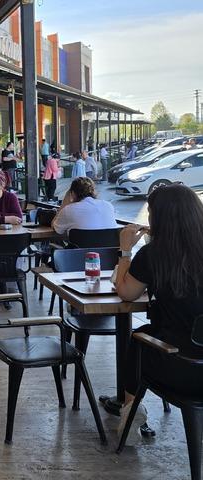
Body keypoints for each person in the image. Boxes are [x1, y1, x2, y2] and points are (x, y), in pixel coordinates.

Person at [114, 184, 203, 446]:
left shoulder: (155, 254)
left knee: (139, 338)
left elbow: (126, 293)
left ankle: (130, 413)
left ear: (160, 218)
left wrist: (125, 251)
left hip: (182, 369)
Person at [51, 176, 117, 236]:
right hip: (109, 245)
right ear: (93, 191)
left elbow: (56, 229)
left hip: (81, 245)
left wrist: (64, 204)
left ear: (73, 193)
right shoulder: (108, 206)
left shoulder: (69, 210)